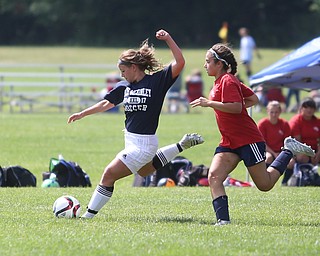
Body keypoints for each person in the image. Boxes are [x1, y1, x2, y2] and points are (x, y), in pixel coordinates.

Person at [67, 29, 204, 219]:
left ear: (134, 67)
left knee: (108, 174)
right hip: (131, 141)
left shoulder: (157, 81)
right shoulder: (124, 87)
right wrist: (83, 113)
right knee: (144, 171)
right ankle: (181, 145)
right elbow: (106, 103)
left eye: (123, 71)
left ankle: (87, 217)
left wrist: (168, 39)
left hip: (144, 144)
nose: (122, 75)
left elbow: (180, 62)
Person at [190, 43, 315, 225]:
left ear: (219, 64)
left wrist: (210, 103)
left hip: (248, 140)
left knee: (264, 185)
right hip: (229, 141)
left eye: (208, 61)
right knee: (214, 176)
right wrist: (227, 108)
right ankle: (223, 222)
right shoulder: (222, 81)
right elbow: (253, 99)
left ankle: (287, 150)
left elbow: (237, 106)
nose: (205, 65)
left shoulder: (228, 80)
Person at [257, 101, 294, 184]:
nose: (274, 114)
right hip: (267, 151)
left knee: (291, 162)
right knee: (268, 157)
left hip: (281, 151)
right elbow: (262, 143)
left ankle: (285, 183)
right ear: (267, 111)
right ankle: (264, 181)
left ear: (280, 112)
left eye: (276, 112)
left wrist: (282, 153)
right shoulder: (262, 124)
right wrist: (274, 153)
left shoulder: (284, 124)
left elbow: (288, 142)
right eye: (272, 112)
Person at [288, 97, 320, 164]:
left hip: (315, 149)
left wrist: (318, 153)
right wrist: (311, 155)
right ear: (301, 108)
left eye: (311, 108)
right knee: (302, 157)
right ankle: (301, 173)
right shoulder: (296, 121)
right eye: (306, 107)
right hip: (299, 150)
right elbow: (298, 142)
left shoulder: (317, 121)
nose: (309, 110)